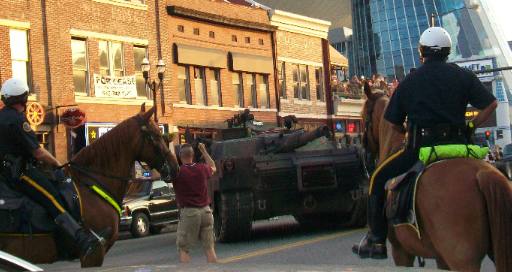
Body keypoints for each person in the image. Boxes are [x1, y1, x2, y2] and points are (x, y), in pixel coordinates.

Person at [352, 27, 498, 259]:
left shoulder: (411, 81)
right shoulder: (463, 75)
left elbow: (394, 123)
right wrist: (471, 126)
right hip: (460, 146)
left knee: (378, 179)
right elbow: (491, 104)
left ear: (422, 52)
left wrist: (405, 129)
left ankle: (377, 240)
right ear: (448, 51)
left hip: (422, 150)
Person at [0, 78, 110, 258]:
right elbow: (38, 152)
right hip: (19, 173)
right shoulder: (18, 120)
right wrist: (58, 164)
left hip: (5, 173)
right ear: (24, 98)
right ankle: (82, 240)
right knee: (52, 197)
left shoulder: (2, 116)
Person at [173, 143, 217, 263]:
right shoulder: (202, 168)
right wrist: (203, 150)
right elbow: (213, 166)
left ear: (180, 156)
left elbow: (157, 174)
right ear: (192, 155)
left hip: (189, 213)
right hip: (206, 212)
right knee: (209, 247)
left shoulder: (178, 172)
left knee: (184, 248)